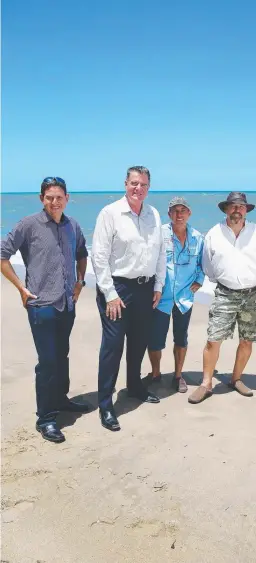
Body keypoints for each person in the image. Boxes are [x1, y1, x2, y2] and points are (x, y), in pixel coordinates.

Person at [0, 177, 89, 443]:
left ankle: (61, 400)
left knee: (62, 355)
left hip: (66, 303)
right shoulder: (29, 224)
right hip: (41, 305)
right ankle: (46, 418)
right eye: (49, 197)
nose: (54, 201)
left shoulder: (73, 225)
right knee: (48, 362)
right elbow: (3, 255)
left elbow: (82, 253)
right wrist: (20, 288)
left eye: (59, 197)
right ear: (42, 199)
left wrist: (80, 281)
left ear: (67, 198)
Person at [91, 166, 166, 432]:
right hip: (118, 289)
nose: (139, 189)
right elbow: (99, 257)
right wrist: (109, 294)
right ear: (126, 184)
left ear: (148, 187)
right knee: (112, 347)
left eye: (144, 184)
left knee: (138, 343)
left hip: (145, 290)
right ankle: (105, 404)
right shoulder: (110, 213)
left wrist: (158, 284)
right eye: (134, 183)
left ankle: (134, 385)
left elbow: (160, 253)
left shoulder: (153, 214)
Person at [188, 192, 256, 404]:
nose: (237, 210)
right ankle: (206, 384)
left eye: (241, 206)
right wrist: (227, 280)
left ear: (246, 210)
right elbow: (208, 265)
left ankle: (236, 379)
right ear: (226, 209)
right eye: (233, 206)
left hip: (255, 294)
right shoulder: (214, 234)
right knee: (213, 338)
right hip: (225, 293)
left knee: (247, 340)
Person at [147, 197, 204, 393]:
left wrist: (200, 280)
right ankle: (155, 374)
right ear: (169, 214)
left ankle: (178, 375)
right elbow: (149, 259)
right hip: (161, 297)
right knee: (155, 339)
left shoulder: (198, 237)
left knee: (181, 338)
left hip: (184, 298)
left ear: (189, 213)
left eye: (183, 210)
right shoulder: (159, 233)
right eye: (175, 211)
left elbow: (202, 264)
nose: (179, 214)